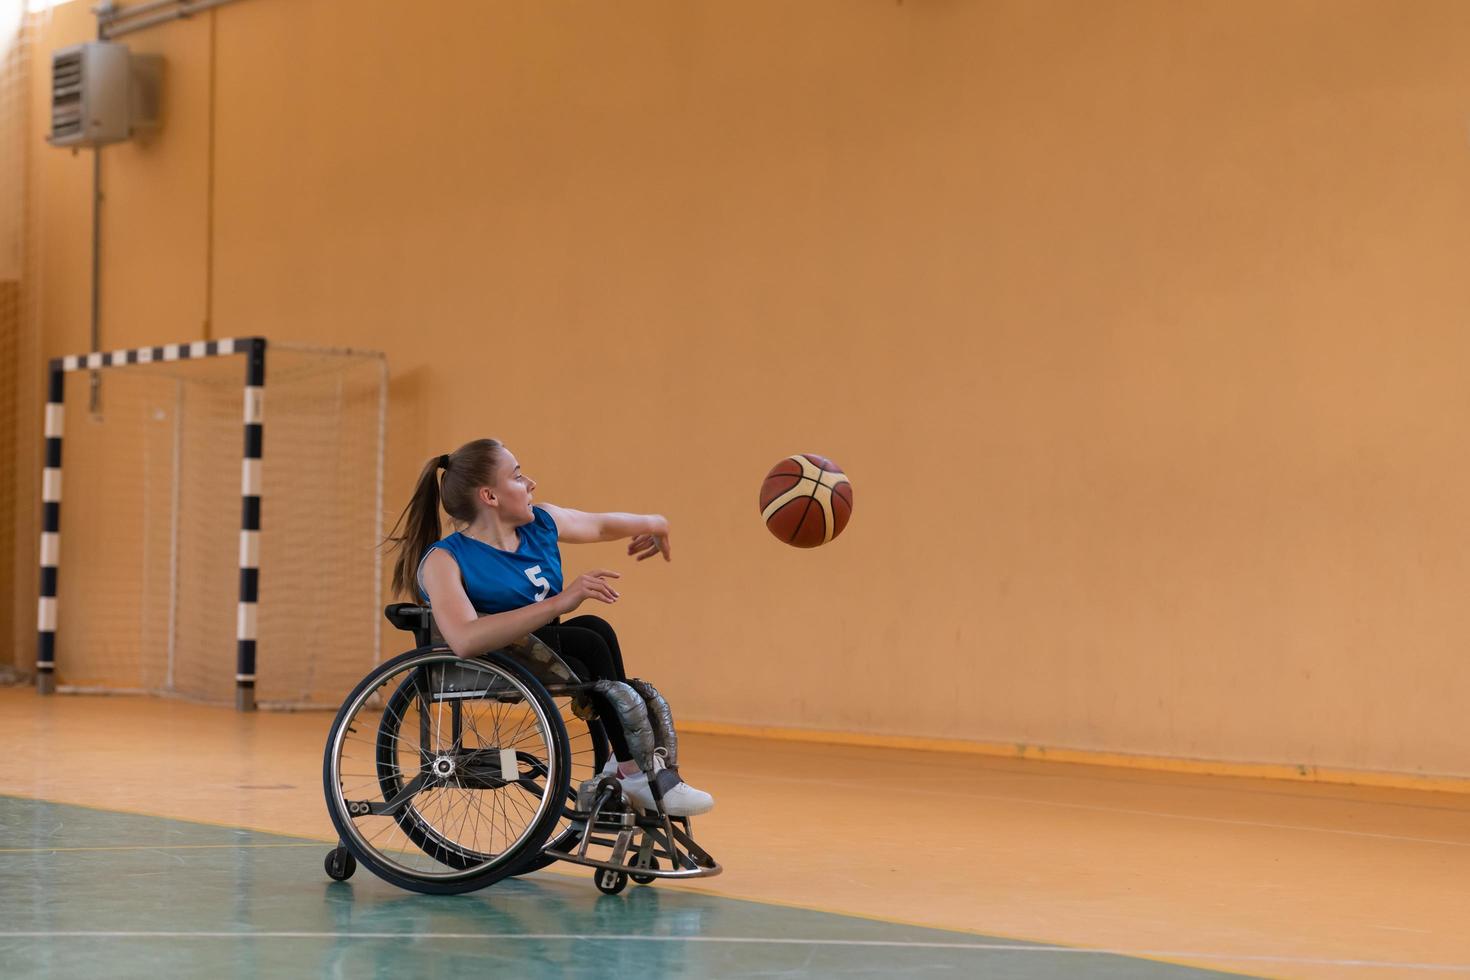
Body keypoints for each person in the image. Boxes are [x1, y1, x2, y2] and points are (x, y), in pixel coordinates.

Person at [386, 437, 714, 817]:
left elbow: (601, 524)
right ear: (490, 496)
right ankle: (633, 770)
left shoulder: (540, 524)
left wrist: (656, 523)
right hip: (493, 658)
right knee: (589, 636)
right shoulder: (445, 560)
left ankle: (626, 764)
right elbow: (463, 638)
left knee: (594, 630)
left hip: (541, 652)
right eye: (518, 476)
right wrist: (561, 601)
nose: (531, 484)